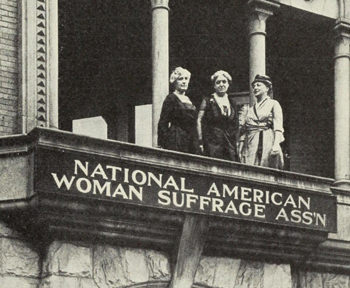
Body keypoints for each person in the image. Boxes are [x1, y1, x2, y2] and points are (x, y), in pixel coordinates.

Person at [240, 74, 284, 169]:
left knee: (267, 168)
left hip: (267, 140)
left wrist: (276, 144)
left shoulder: (273, 104)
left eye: (258, 85)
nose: (255, 88)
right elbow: (244, 130)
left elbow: (278, 127)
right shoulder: (249, 109)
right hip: (251, 142)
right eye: (254, 86)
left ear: (267, 87)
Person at [197, 70, 238, 161]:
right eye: (218, 82)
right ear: (214, 86)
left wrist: (236, 142)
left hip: (229, 143)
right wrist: (200, 141)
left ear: (228, 84)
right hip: (212, 143)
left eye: (224, 82)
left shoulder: (232, 102)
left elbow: (235, 124)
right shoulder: (208, 101)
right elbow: (199, 120)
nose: (221, 84)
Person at [158, 67, 197, 153]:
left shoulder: (189, 100)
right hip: (176, 138)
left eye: (186, 79)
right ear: (175, 82)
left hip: (190, 139)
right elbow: (163, 122)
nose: (184, 81)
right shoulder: (171, 98)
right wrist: (163, 142)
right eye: (180, 79)